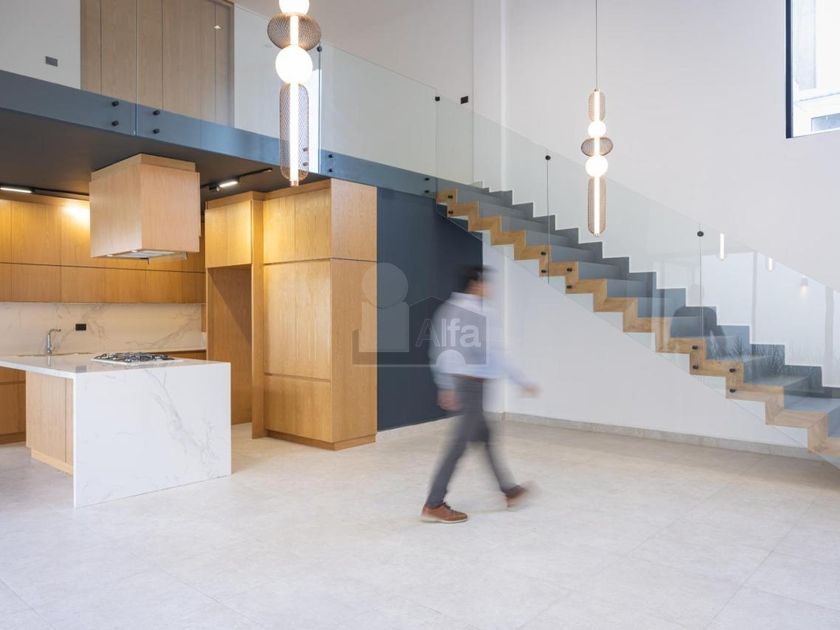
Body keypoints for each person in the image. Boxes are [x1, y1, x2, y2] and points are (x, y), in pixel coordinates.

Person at [422, 265, 538, 524]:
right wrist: (521, 380)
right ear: (476, 284)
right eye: (487, 283)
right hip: (470, 386)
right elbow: (494, 352)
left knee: (485, 438)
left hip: (466, 384)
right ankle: (434, 503)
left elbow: (441, 349)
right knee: (458, 445)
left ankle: (509, 490)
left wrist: (446, 384)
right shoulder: (477, 312)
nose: (490, 288)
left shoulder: (453, 309)